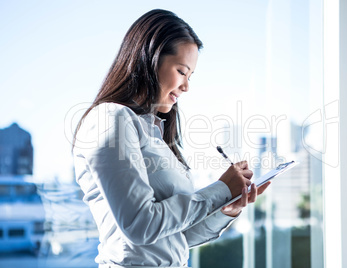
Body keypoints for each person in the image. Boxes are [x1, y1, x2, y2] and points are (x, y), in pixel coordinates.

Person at [72, 9, 269, 268]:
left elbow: (178, 237)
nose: (187, 86)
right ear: (150, 60)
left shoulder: (155, 132)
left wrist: (226, 208)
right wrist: (220, 188)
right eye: (181, 71)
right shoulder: (110, 118)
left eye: (190, 76)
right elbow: (140, 225)